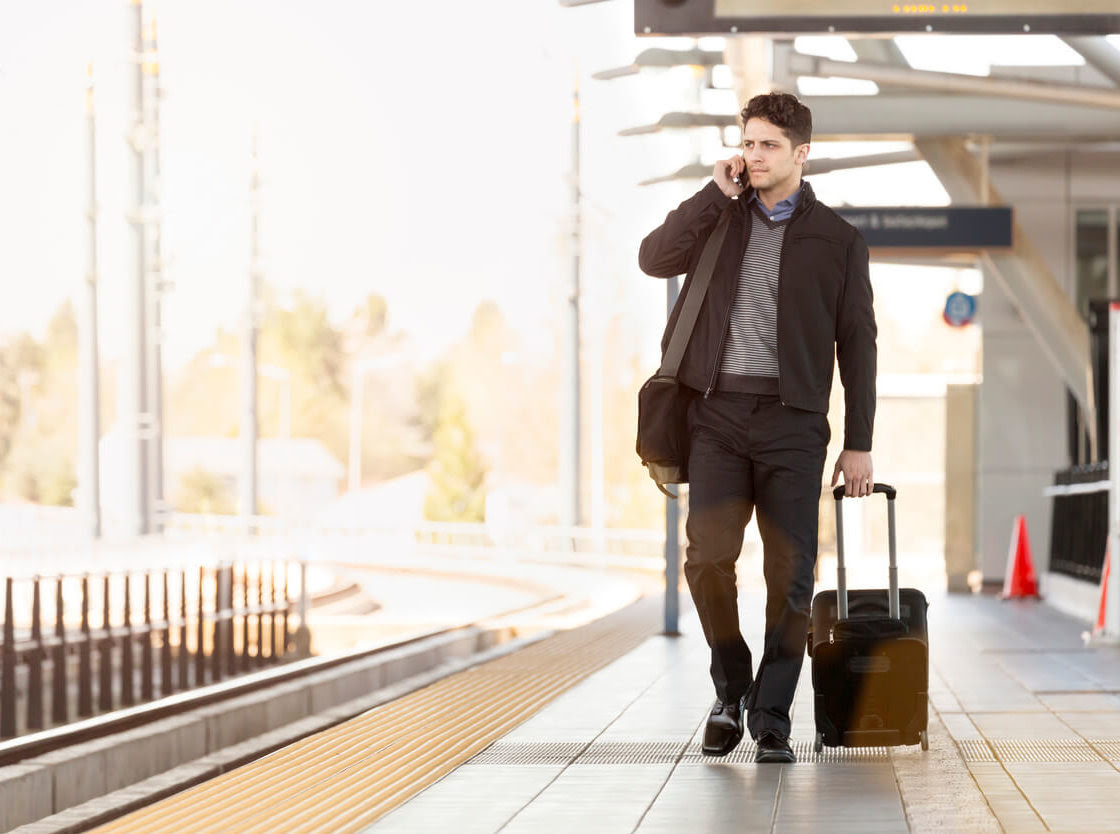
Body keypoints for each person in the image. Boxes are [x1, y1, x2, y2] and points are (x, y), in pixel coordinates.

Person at [638, 92, 877, 763]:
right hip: (714, 417)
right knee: (707, 557)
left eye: (769, 144)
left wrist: (858, 441)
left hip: (794, 424)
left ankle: (772, 715)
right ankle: (731, 686)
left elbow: (859, 345)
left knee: (790, 573)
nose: (754, 155)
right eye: (748, 142)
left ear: (802, 153)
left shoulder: (838, 241)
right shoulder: (720, 218)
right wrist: (710, 195)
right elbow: (654, 258)